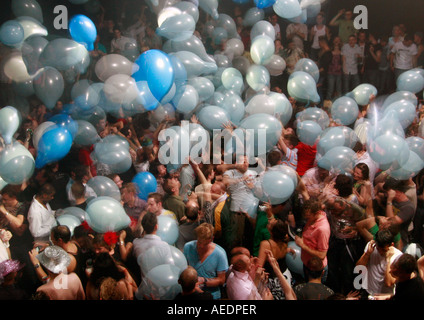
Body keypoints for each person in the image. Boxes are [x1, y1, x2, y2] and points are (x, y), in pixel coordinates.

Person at [183, 223, 229, 300]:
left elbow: (221, 280)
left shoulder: (220, 254)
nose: (201, 246)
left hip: (212, 295)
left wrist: (204, 281)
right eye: (199, 242)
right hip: (192, 294)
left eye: (205, 244)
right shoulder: (188, 247)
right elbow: (184, 268)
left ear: (212, 239)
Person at [356, 229, 403, 298]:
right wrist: (367, 254)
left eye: (384, 250)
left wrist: (388, 259)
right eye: (378, 249)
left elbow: (389, 283)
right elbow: (358, 269)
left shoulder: (398, 256)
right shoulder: (371, 247)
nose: (380, 252)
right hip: (369, 292)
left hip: (385, 296)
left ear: (392, 245)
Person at [257, 218, 295, 299]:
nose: (270, 221)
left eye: (271, 222)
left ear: (271, 230)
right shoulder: (285, 243)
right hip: (285, 277)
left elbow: (259, 267)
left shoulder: (266, 244)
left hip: (272, 281)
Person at [295, 199, 331, 282]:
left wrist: (302, 245)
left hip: (316, 269)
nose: (306, 218)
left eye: (308, 216)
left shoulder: (322, 229)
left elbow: (322, 255)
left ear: (317, 213)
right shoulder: (312, 219)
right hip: (307, 264)